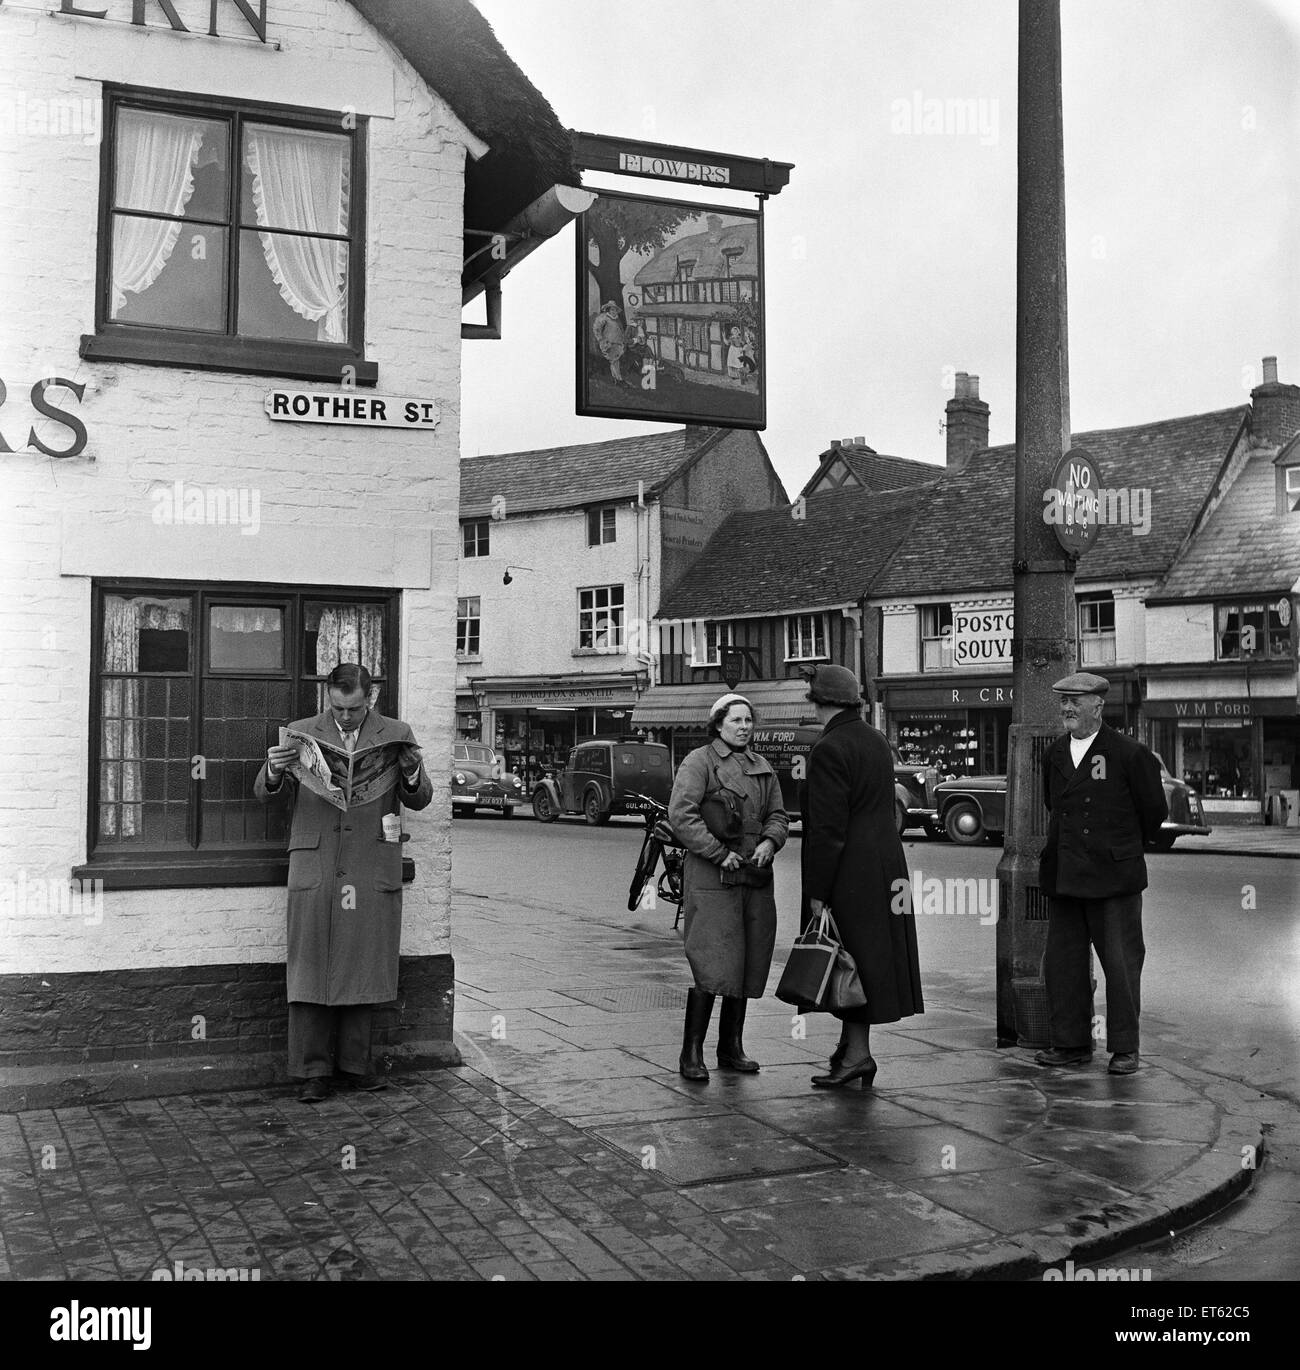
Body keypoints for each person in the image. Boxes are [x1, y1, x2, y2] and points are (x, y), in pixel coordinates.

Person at [256, 662, 432, 1103]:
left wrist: (411, 772)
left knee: (363, 963)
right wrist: (275, 770)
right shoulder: (300, 732)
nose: (346, 717)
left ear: (369, 699)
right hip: (316, 863)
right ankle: (311, 1071)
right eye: (338, 707)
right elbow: (263, 794)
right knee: (311, 965)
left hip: (369, 864)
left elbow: (421, 798)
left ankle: (357, 1066)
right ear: (327, 697)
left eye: (354, 709)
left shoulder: (396, 732)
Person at [1035, 672, 1168, 1076]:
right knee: (1065, 966)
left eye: (1076, 701)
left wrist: (1119, 849)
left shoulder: (1129, 753)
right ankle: (1071, 1044)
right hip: (1065, 877)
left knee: (1122, 968)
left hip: (1114, 880)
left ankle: (1125, 1048)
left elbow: (1154, 813)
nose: (1068, 708)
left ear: (1098, 705)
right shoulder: (1055, 753)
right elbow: (1052, 806)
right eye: (1064, 702)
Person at [800, 664, 923, 1088]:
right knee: (866, 962)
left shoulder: (830, 747)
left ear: (821, 702)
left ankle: (856, 1056)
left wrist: (818, 890)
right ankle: (851, 1051)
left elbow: (827, 829)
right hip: (885, 866)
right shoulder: (874, 740)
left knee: (845, 960)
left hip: (849, 871)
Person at [668, 693, 789, 1081]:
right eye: (736, 720)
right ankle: (691, 1054)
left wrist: (771, 842)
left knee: (748, 959)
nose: (744, 727)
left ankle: (730, 1047)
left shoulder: (762, 766)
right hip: (712, 878)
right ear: (718, 724)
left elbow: (779, 815)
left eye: (748, 720)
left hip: (754, 877)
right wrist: (719, 854)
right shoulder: (699, 761)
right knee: (712, 961)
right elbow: (682, 816)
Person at [592, 301, 627, 385]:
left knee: (615, 361)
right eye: (612, 309)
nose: (614, 311)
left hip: (618, 344)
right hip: (608, 343)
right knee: (614, 361)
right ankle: (619, 380)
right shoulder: (603, 318)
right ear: (608, 310)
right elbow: (597, 329)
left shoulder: (617, 320)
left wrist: (623, 342)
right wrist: (601, 340)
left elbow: (621, 332)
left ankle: (616, 379)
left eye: (615, 310)